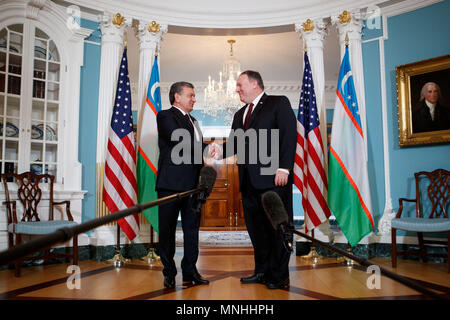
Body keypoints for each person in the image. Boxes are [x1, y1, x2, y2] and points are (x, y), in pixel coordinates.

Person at [210, 70, 297, 289]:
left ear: (255, 84)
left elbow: (289, 135)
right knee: (256, 230)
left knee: (277, 229)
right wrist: (219, 150)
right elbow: (235, 143)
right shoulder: (240, 114)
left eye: (240, 85)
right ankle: (261, 272)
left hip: (274, 180)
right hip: (248, 182)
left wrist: (284, 168)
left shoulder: (278, 103)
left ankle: (279, 276)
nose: (236, 89)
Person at [156, 81, 209, 288]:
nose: (194, 99)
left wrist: (210, 149)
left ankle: (190, 271)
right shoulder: (165, 116)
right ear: (177, 97)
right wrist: (206, 148)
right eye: (191, 95)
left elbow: (196, 147)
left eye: (194, 96)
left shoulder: (195, 121)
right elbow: (180, 140)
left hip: (193, 186)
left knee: (191, 231)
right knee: (167, 231)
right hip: (170, 184)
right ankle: (169, 272)